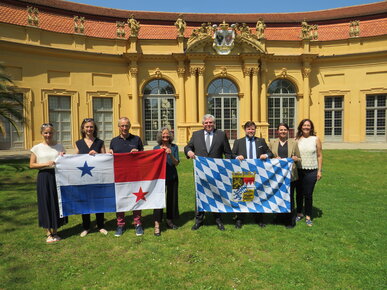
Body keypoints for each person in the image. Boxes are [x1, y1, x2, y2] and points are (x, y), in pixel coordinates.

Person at [184, 114, 233, 231]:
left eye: (210, 122)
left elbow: (228, 152)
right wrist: (189, 152)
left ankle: (218, 219)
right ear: (203, 124)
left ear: (214, 123)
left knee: (217, 194)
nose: (208, 125)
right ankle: (199, 220)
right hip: (200, 172)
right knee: (200, 194)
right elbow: (187, 147)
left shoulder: (221, 134)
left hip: (217, 172)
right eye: (206, 123)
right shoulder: (196, 135)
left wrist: (226, 166)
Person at [30, 123, 67, 243]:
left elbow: (66, 161)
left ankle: (55, 231)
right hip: (44, 177)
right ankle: (48, 233)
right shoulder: (36, 148)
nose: (48, 135)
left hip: (57, 177)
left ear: (53, 133)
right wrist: (46, 164)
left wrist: (63, 156)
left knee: (56, 202)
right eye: (46, 132)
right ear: (42, 133)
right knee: (45, 202)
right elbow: (32, 164)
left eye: (50, 132)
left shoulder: (60, 147)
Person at [232, 121, 274, 228]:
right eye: (249, 129)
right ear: (245, 130)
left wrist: (265, 155)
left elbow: (270, 153)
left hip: (258, 173)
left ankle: (258, 218)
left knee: (258, 196)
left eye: (253, 129)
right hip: (242, 172)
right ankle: (240, 219)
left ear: (255, 130)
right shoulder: (238, 142)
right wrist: (237, 157)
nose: (251, 131)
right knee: (241, 196)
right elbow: (231, 155)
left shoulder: (261, 141)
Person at [110, 117, 144, 237]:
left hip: (134, 175)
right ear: (118, 127)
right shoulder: (114, 141)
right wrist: (109, 154)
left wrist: (138, 153)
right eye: (122, 126)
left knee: (137, 198)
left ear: (129, 126)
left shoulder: (136, 139)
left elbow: (143, 157)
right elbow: (110, 157)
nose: (124, 128)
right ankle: (120, 224)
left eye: (126, 125)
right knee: (120, 200)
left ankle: (138, 223)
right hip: (119, 176)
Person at [75, 118, 108, 237]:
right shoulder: (78, 143)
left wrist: (97, 155)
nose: (89, 129)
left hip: (97, 177)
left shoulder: (100, 142)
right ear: (83, 129)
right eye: (87, 127)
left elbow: (105, 159)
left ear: (95, 129)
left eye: (91, 127)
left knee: (99, 200)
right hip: (84, 177)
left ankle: (101, 225)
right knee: (85, 201)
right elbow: (75, 160)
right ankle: (86, 227)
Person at [269, 123, 301, 228]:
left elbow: (300, 158)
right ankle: (278, 218)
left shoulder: (294, 143)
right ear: (277, 131)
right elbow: (269, 158)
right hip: (277, 176)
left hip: (290, 175)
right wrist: (274, 159)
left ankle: (290, 221)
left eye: (285, 130)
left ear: (288, 131)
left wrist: (296, 159)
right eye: (281, 130)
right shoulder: (272, 142)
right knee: (278, 197)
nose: (283, 131)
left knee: (289, 198)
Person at [295, 119, 323, 227]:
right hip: (298, 170)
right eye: (304, 125)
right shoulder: (297, 139)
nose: (306, 127)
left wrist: (319, 171)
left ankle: (308, 215)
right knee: (299, 193)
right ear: (301, 127)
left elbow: (320, 155)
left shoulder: (316, 139)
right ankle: (299, 213)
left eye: (308, 125)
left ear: (311, 128)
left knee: (308, 194)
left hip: (312, 170)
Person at [153, 127, 180, 236]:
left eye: (167, 134)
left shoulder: (174, 147)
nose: (165, 136)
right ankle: (157, 223)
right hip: (159, 178)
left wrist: (170, 154)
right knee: (158, 199)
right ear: (160, 136)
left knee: (171, 199)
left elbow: (176, 163)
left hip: (172, 176)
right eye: (163, 134)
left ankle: (169, 220)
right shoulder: (155, 148)